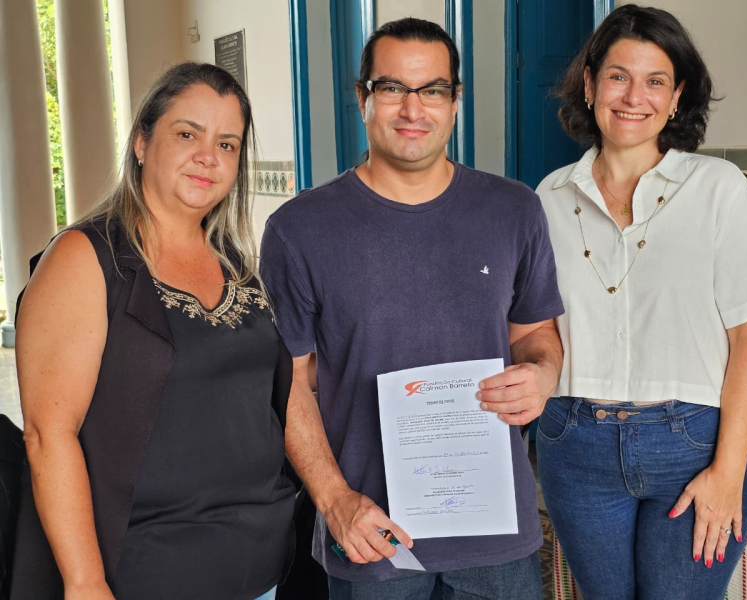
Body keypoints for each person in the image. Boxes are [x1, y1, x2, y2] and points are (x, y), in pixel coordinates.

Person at [260, 17, 564, 600]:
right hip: (372, 534)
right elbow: (288, 381)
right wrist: (334, 499)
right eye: (392, 87)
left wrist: (543, 373)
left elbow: (535, 333)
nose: (412, 108)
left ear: (455, 101)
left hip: (495, 532)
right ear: (363, 97)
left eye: (432, 90)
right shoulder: (299, 230)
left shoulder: (514, 210)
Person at [535, 5, 747, 599]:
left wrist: (728, 471)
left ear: (677, 96)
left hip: (692, 443)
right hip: (574, 441)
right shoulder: (548, 197)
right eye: (618, 76)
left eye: (655, 80)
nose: (635, 97)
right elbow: (537, 328)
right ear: (589, 85)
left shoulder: (718, 189)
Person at [11, 62, 295, 600]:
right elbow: (48, 434)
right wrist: (84, 581)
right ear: (142, 142)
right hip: (144, 572)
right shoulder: (84, 258)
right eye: (187, 134)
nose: (208, 157)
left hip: (258, 567)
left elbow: (263, 393)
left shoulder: (232, 261)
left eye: (227, 144)